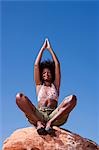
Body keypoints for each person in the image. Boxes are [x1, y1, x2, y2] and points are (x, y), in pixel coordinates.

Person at [16, 38, 77, 134]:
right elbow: (36, 65)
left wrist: (50, 49)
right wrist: (42, 49)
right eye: (44, 73)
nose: (46, 74)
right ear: (41, 75)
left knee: (72, 98)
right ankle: (39, 123)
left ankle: (50, 123)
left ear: (52, 74)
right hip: (39, 114)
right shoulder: (39, 85)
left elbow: (57, 65)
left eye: (48, 73)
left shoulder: (55, 85)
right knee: (19, 97)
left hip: (55, 115)